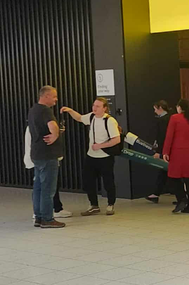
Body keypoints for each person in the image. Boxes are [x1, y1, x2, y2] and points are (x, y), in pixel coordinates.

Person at [62, 97, 121, 216]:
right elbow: (79, 118)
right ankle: (94, 205)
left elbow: (116, 139)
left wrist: (100, 145)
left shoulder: (110, 121)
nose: (94, 108)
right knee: (88, 181)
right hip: (91, 156)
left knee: (108, 181)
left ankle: (110, 204)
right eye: (94, 105)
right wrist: (70, 111)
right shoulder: (91, 116)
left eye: (98, 106)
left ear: (104, 108)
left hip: (105, 156)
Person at [29, 86, 65, 228]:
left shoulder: (33, 110)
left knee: (38, 187)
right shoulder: (45, 110)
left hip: (37, 153)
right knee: (48, 188)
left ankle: (38, 217)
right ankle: (47, 219)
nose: (56, 99)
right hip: (48, 155)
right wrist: (56, 135)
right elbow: (53, 126)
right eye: (54, 96)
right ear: (46, 96)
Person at [25, 122, 73, 220]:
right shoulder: (39, 127)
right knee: (46, 187)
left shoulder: (34, 126)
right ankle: (45, 213)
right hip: (42, 159)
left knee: (46, 186)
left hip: (40, 159)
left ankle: (48, 210)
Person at [163, 99, 189, 214]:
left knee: (173, 177)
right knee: (188, 179)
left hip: (177, 152)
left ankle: (182, 199)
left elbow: (169, 136)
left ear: (179, 107)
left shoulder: (174, 118)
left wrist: (165, 152)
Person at [145, 100, 171, 203]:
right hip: (168, 150)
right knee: (164, 172)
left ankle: (156, 194)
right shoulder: (170, 118)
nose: (155, 111)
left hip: (165, 151)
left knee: (165, 171)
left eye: (155, 109)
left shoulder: (163, 120)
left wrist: (159, 152)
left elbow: (162, 137)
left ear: (160, 108)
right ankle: (156, 193)